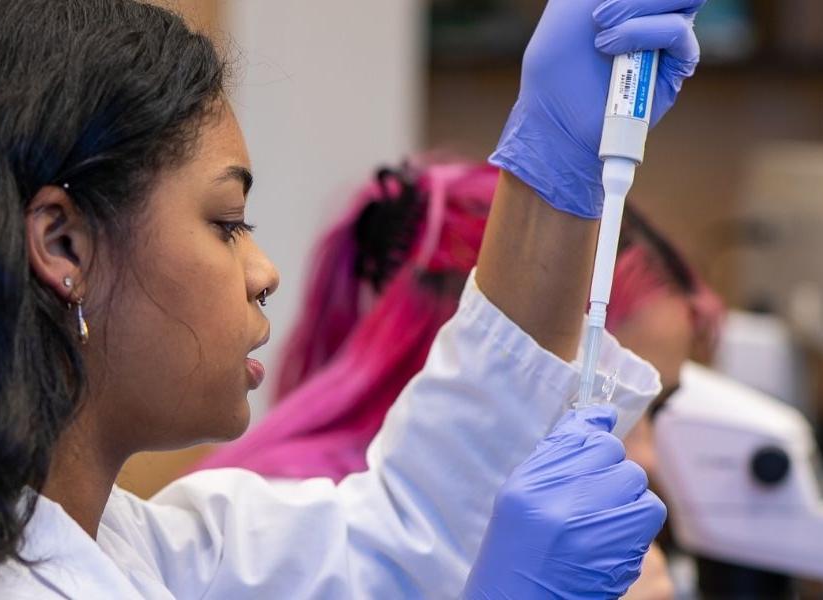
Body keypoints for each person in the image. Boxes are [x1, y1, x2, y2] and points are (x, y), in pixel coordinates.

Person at [0, 0, 703, 598]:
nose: (261, 271)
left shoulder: (145, 551)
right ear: (63, 242)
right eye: (224, 222)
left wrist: (557, 160)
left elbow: (412, 528)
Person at [194, 159, 724, 598]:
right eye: (598, 395)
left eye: (656, 410)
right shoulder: (273, 532)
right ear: (468, 352)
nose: (649, 457)